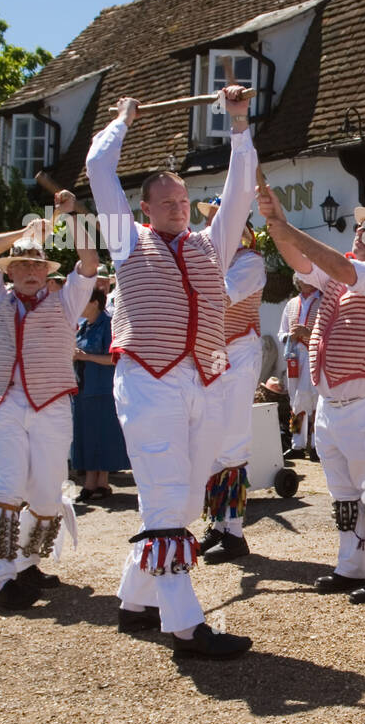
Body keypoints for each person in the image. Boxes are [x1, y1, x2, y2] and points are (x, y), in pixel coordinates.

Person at [85, 85, 258, 659]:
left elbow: (239, 189)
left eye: (182, 201)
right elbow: (97, 166)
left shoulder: (213, 244)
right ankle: (185, 625)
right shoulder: (125, 241)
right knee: (164, 500)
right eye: (165, 202)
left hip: (204, 378)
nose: (178, 209)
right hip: (147, 379)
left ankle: (134, 600)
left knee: (184, 503)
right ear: (144, 209)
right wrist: (122, 121)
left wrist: (238, 124)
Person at [259, 194, 365, 606]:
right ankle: (350, 564)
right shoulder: (341, 273)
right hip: (332, 402)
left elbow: (326, 263)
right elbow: (298, 261)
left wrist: (289, 230)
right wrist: (277, 222)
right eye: (360, 225)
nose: (360, 230)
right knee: (342, 490)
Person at [0, 200, 96, 610]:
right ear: (11, 272)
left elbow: (88, 258)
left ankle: (28, 562)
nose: (32, 272)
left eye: (39, 266)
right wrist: (23, 235)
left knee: (48, 494)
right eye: (23, 266)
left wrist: (68, 218)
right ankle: (1, 579)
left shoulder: (66, 301)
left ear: (47, 273)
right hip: (4, 399)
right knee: (7, 485)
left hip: (51, 403)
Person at [197, 198, 266, 563]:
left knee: (234, 437)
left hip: (238, 352)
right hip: (213, 354)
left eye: (219, 222)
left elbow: (218, 299)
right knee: (211, 436)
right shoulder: (213, 262)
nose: (211, 230)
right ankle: (218, 524)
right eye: (210, 222)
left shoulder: (249, 262)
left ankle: (235, 533)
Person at [72, 288, 129, 502]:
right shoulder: (84, 326)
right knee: (86, 434)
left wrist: (85, 357)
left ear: (95, 302)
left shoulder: (108, 323)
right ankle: (90, 482)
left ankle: (101, 482)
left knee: (102, 434)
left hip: (102, 388)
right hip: (84, 387)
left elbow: (114, 358)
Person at [278, 272, 321, 461]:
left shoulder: (324, 301)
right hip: (294, 357)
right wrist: (290, 337)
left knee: (315, 400)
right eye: (302, 276)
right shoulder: (291, 304)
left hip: (315, 356)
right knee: (295, 400)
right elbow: (282, 332)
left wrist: (309, 332)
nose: (306, 280)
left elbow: (330, 331)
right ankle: (297, 445)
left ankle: (316, 445)